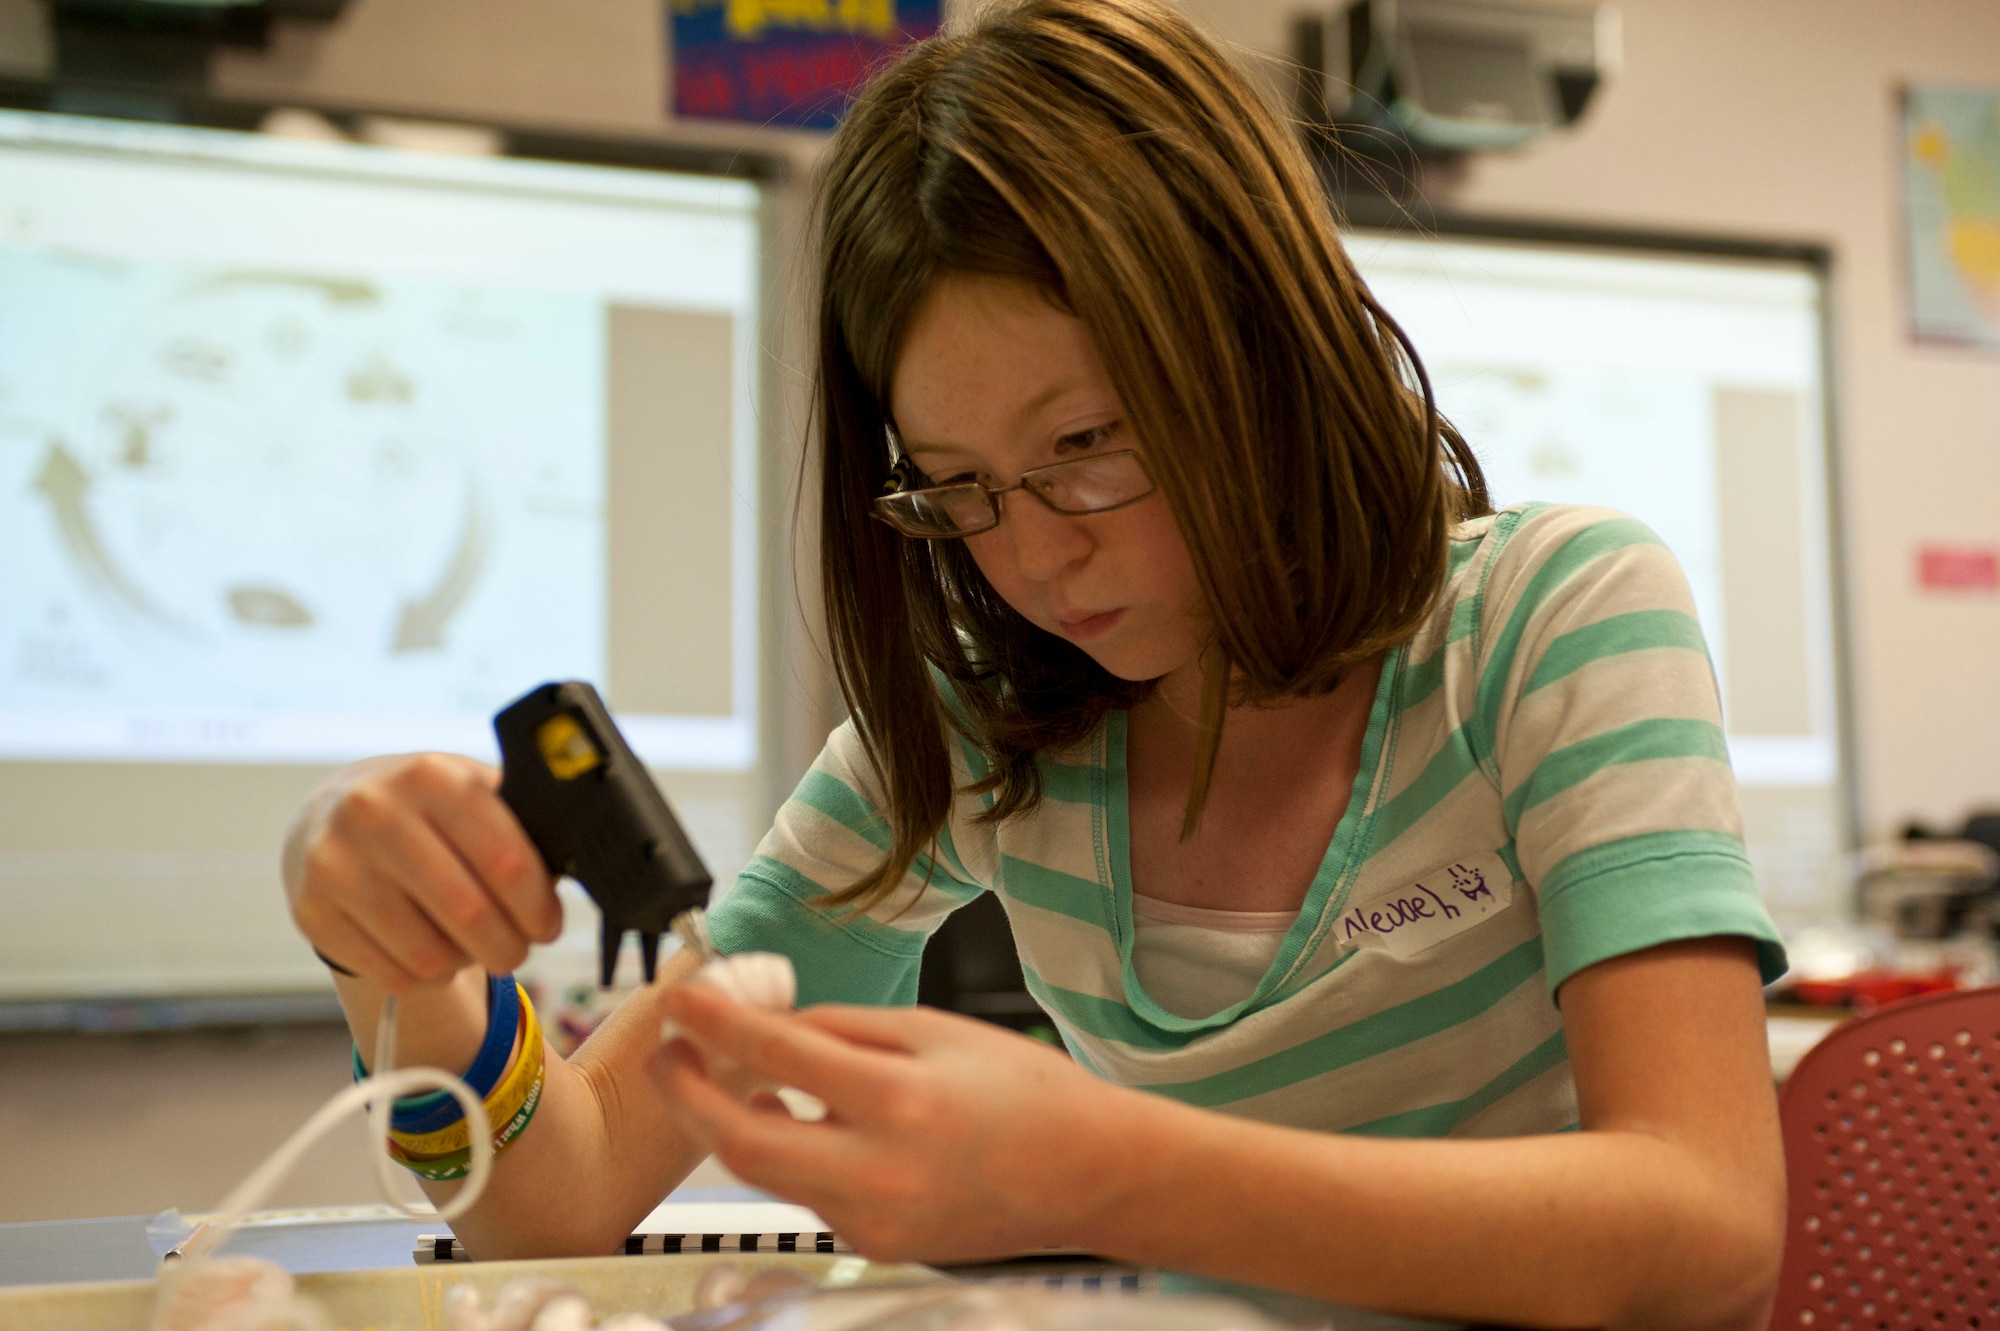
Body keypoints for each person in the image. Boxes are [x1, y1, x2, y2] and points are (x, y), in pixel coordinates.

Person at [280, 0, 1790, 1324]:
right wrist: (399, 963)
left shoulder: (1550, 617)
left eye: (1087, 447)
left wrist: (1113, 1175)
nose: (1034, 558)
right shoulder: (980, 720)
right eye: (958, 488)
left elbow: (1707, 1236)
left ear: (1266, 353)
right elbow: (561, 1199)